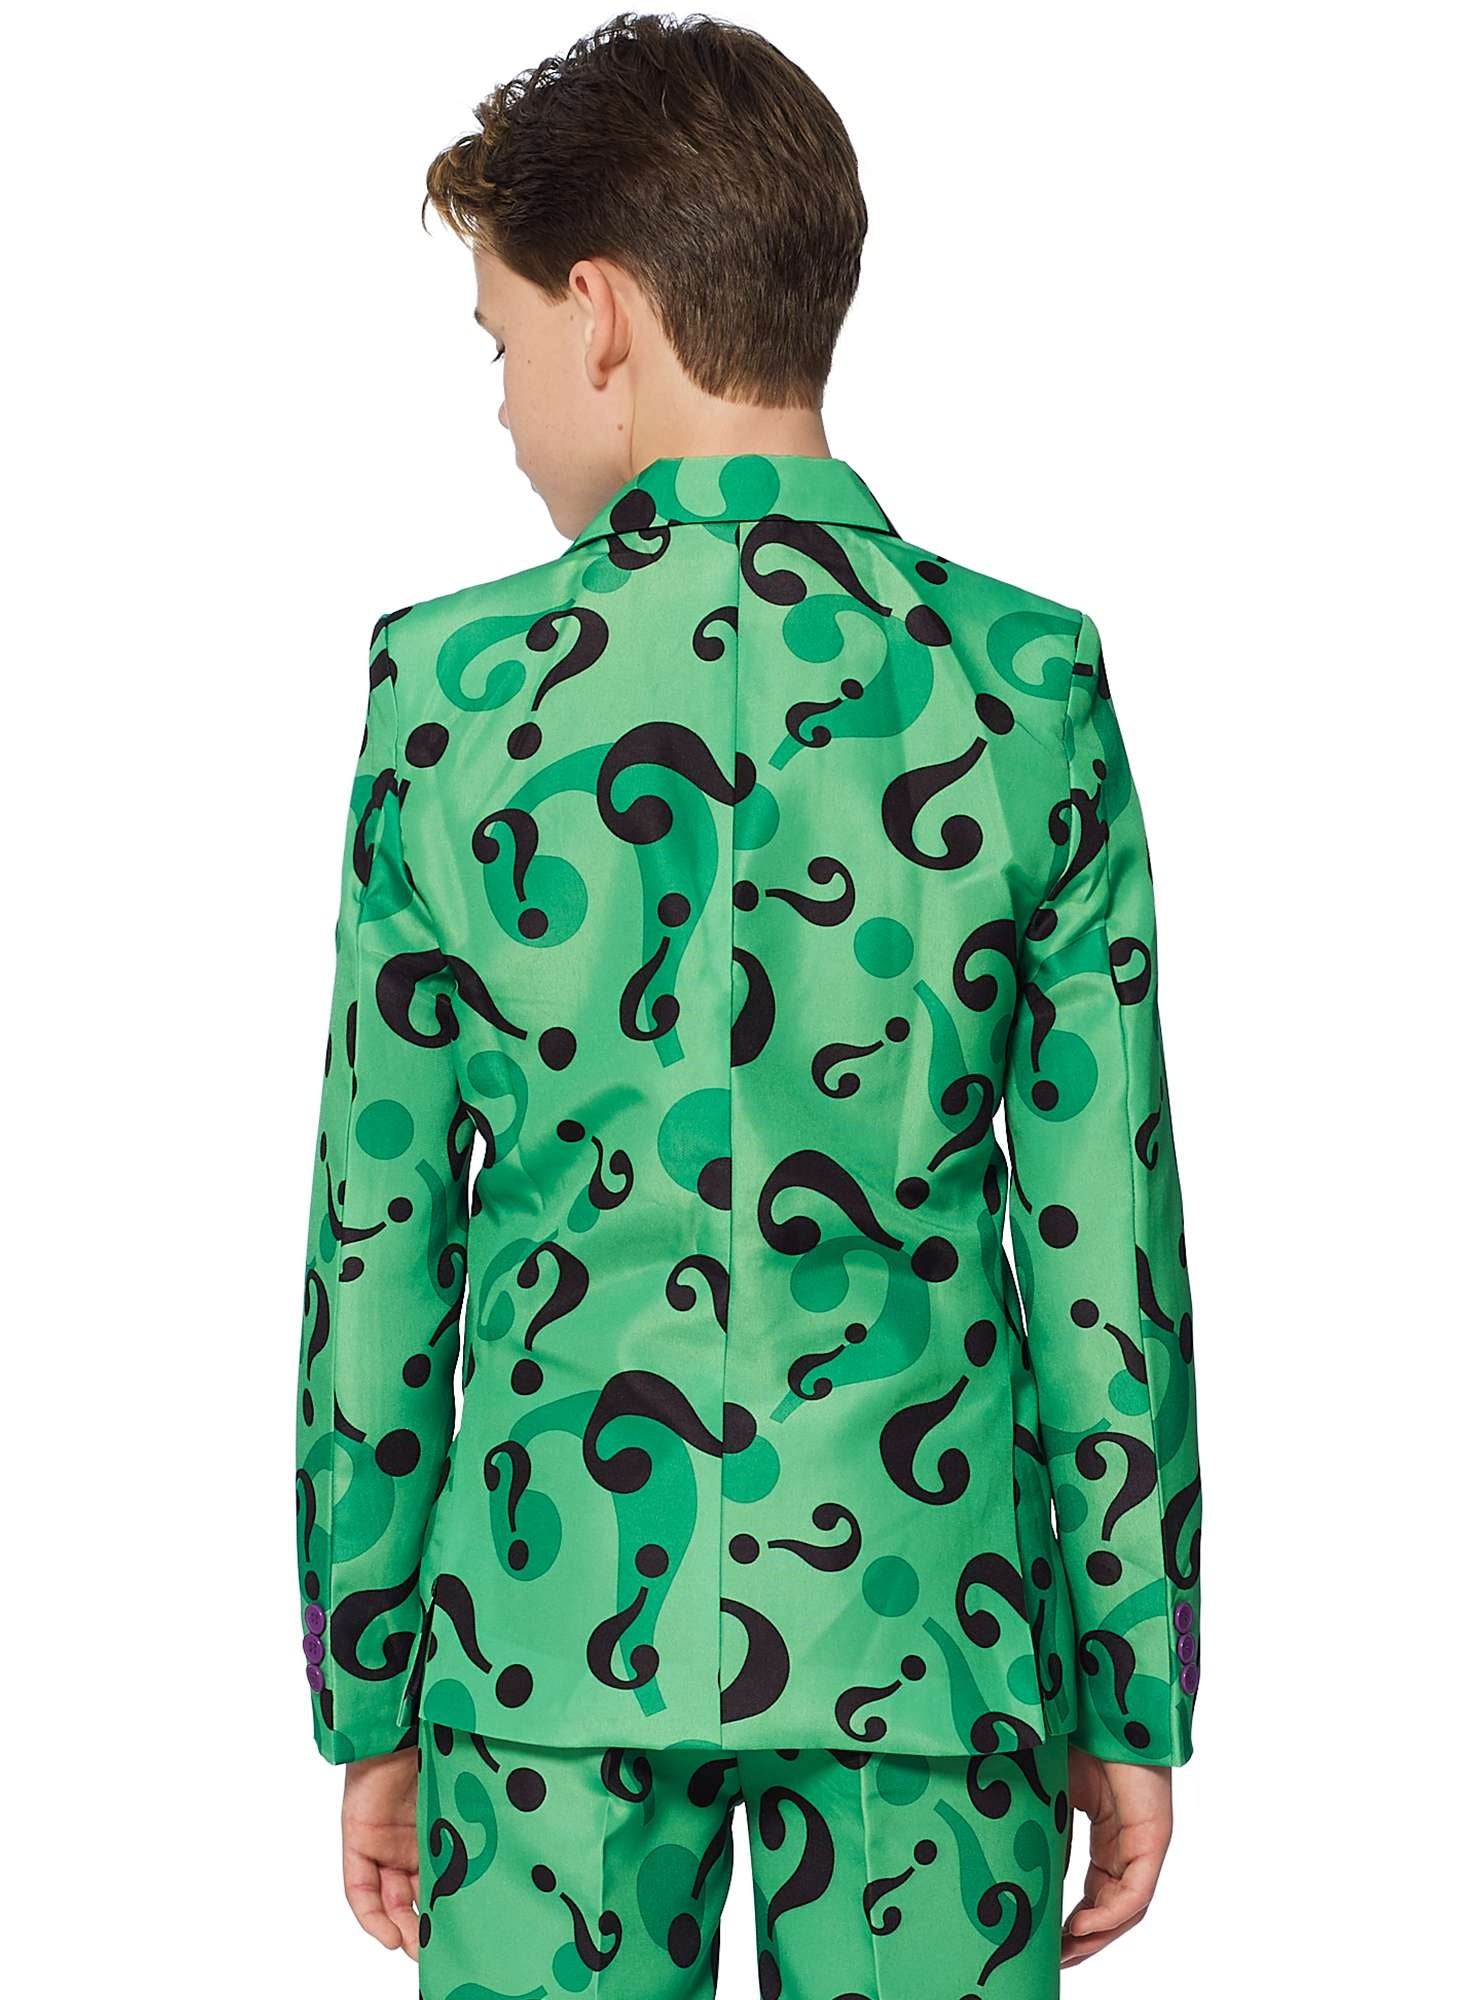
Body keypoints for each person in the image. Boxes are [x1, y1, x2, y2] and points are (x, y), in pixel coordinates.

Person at [292, 11, 1202, 1995]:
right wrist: (1130, 1672)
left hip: (540, 1648)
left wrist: (369, 1678)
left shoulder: (443, 699)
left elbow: (382, 1235)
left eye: (499, 340)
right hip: (933, 1639)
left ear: (603, 314)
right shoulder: (1024, 685)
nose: (504, 405)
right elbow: (1103, 1240)